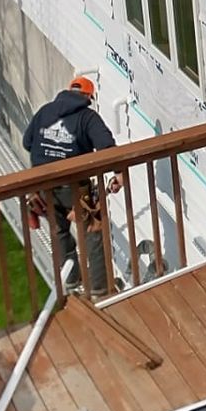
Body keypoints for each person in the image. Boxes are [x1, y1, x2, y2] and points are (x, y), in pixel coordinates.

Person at [22, 75, 120, 293]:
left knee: (59, 232)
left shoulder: (45, 111)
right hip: (73, 188)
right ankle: (99, 288)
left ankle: (72, 280)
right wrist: (120, 173)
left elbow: (27, 142)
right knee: (93, 231)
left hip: (42, 186)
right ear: (87, 96)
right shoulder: (87, 117)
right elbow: (107, 147)